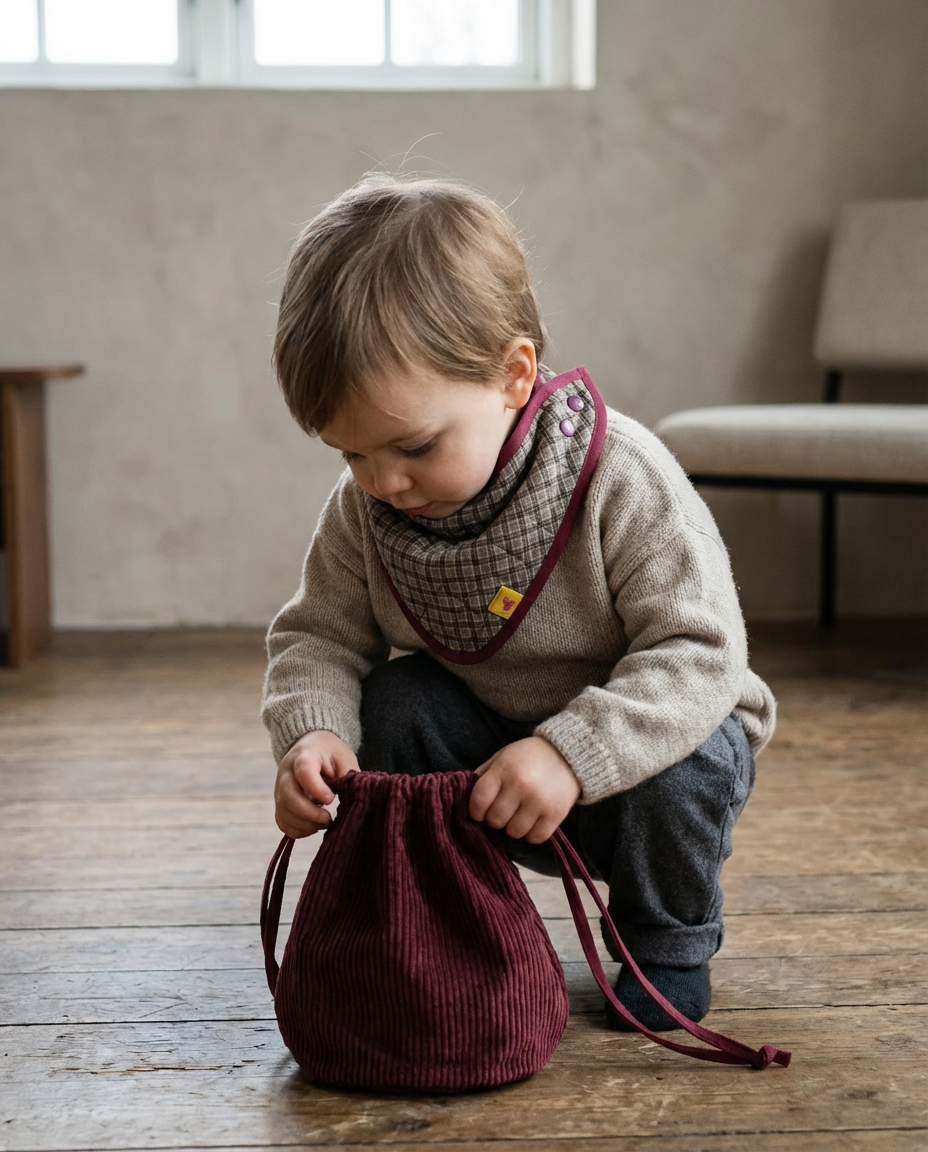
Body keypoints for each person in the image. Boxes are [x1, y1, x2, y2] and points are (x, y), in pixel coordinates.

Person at [261, 173, 776, 1032]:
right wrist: (312, 735)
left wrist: (569, 755)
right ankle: (453, 921)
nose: (383, 482)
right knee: (394, 705)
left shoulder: (619, 475)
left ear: (513, 374)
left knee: (697, 757)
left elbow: (702, 654)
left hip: (640, 765)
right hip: (488, 771)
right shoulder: (370, 509)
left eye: (414, 447)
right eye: (350, 454)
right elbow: (318, 635)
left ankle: (662, 947)